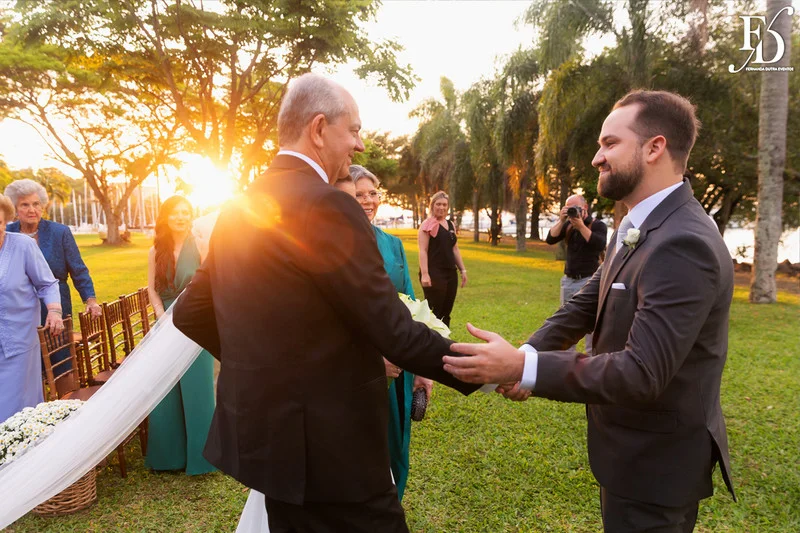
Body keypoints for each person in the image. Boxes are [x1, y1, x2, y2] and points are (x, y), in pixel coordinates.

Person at [172, 73, 478, 533]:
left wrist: (264, 367)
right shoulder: (329, 206)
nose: (358, 145)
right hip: (334, 450)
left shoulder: (238, 208)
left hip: (269, 445)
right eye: (352, 130)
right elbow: (392, 329)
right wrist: (484, 370)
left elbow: (191, 311)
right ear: (318, 129)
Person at [443, 90, 735, 532]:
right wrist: (526, 355)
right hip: (627, 453)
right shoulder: (634, 225)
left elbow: (641, 372)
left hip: (656, 465)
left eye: (610, 143)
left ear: (655, 147)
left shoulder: (683, 241)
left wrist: (525, 366)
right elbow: (584, 306)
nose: (597, 157)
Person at [334, 166, 433, 500]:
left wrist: (421, 368)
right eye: (358, 194)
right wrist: (374, 357)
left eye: (372, 193)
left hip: (398, 369)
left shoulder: (393, 246)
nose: (367, 201)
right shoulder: (333, 245)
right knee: (356, 453)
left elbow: (409, 308)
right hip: (352, 373)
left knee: (394, 447)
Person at [145, 195, 216, 475]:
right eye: (175, 213)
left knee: (197, 389)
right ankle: (168, 458)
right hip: (164, 325)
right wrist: (161, 317)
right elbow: (151, 288)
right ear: (166, 217)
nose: (181, 217)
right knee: (165, 391)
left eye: (186, 212)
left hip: (195, 322)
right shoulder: (155, 250)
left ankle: (202, 458)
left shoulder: (200, 245)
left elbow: (209, 285)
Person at [4, 179, 101, 376]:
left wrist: (90, 300)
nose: (32, 209)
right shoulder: (6, 233)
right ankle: (35, 404)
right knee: (26, 368)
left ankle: (65, 403)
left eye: (36, 204)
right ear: (15, 207)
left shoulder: (59, 232)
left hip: (56, 308)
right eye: (25, 204)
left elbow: (78, 270)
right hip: (19, 312)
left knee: (62, 363)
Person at [0, 194, 62, 423]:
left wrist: (54, 311)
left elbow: (47, 283)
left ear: (6, 221)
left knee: (16, 408)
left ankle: (21, 455)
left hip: (19, 341)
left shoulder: (23, 246)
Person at [545, 194, 607, 352]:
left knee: (590, 324)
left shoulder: (597, 225)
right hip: (569, 280)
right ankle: (567, 359)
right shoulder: (567, 225)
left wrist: (580, 226)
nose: (572, 211)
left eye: (575, 208)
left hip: (589, 280)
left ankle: (592, 359)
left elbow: (598, 245)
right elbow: (550, 239)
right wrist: (561, 220)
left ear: (585, 207)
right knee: (567, 322)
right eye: (568, 208)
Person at [417, 191, 467, 326]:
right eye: (438, 204)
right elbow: (423, 250)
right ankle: (430, 342)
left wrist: (463, 270)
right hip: (434, 273)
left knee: (446, 310)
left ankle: (445, 342)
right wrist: (425, 274)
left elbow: (454, 248)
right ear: (432, 206)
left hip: (450, 273)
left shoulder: (450, 224)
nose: (441, 207)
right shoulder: (427, 225)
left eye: (444, 205)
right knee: (435, 312)